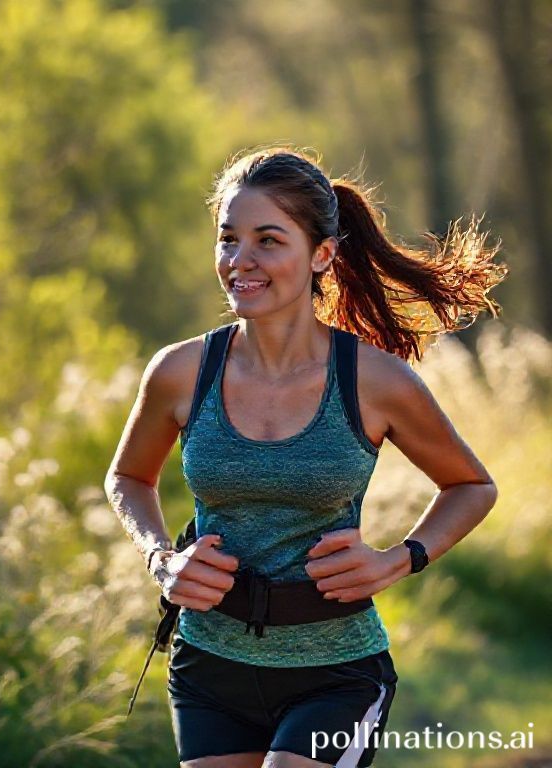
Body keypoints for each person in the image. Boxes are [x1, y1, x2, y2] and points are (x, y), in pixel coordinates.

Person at [104, 146, 507, 768]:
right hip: (209, 667)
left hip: (337, 673)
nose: (240, 260)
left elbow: (471, 486)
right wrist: (161, 559)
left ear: (322, 254)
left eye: (268, 240)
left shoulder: (374, 380)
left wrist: (399, 560)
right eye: (228, 239)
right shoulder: (181, 371)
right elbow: (129, 476)